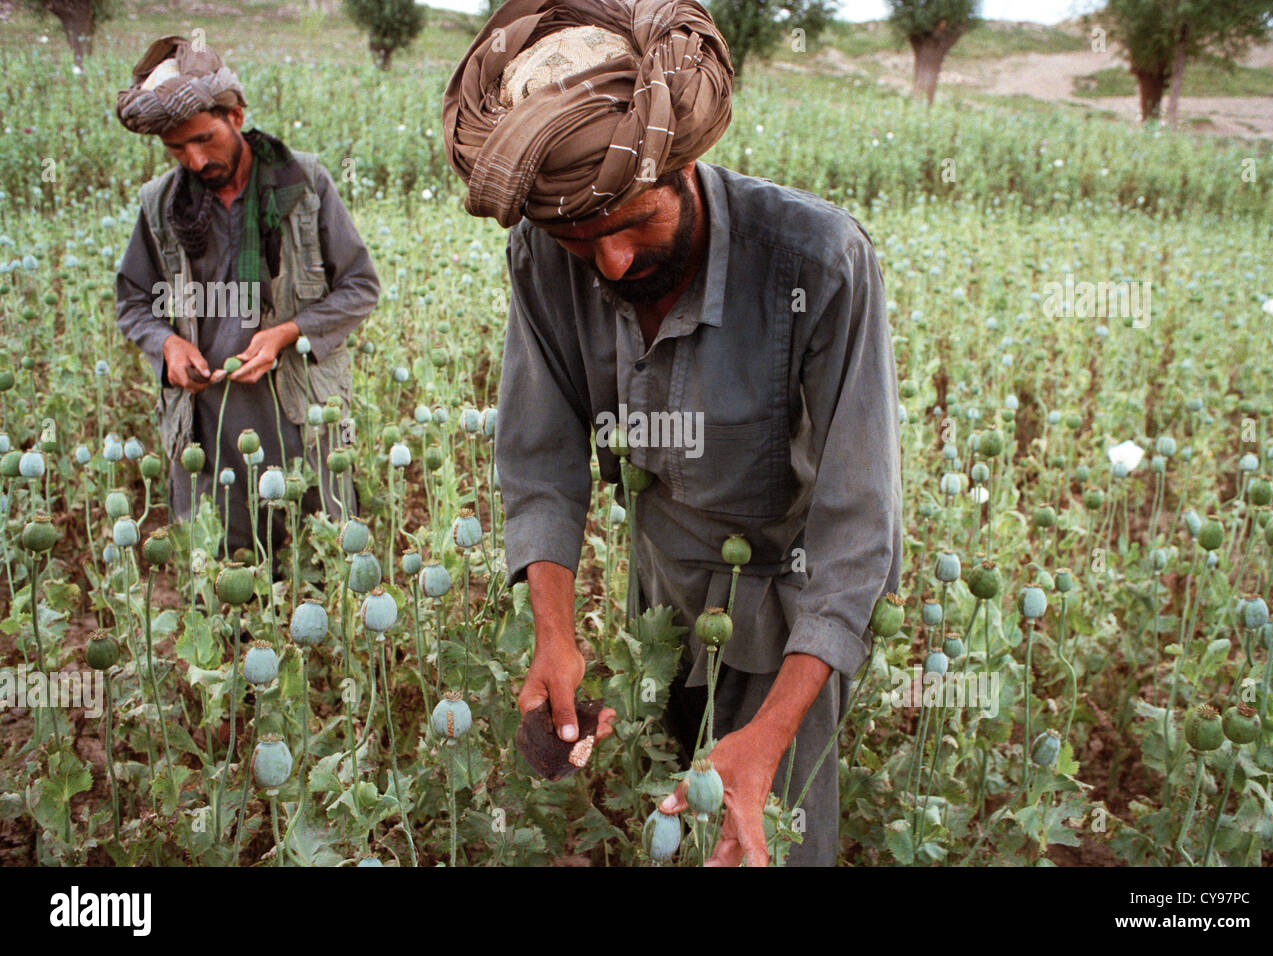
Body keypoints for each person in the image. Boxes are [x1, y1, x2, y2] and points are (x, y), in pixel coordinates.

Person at [443, 0, 902, 866]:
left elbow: (858, 530)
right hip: (655, 596)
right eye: (581, 241)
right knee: (656, 816)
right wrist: (554, 635)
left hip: (788, 608)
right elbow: (542, 459)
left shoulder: (819, 261)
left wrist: (768, 738)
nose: (609, 263)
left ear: (685, 164)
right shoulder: (544, 257)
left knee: (765, 840)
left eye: (629, 225)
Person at [114, 35, 379, 558]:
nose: (193, 159)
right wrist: (166, 344)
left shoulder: (304, 185)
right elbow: (133, 301)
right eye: (175, 148)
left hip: (300, 411)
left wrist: (286, 333)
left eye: (204, 139)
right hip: (207, 420)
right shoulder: (159, 205)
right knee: (223, 570)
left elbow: (360, 287)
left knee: (318, 560)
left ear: (236, 116)